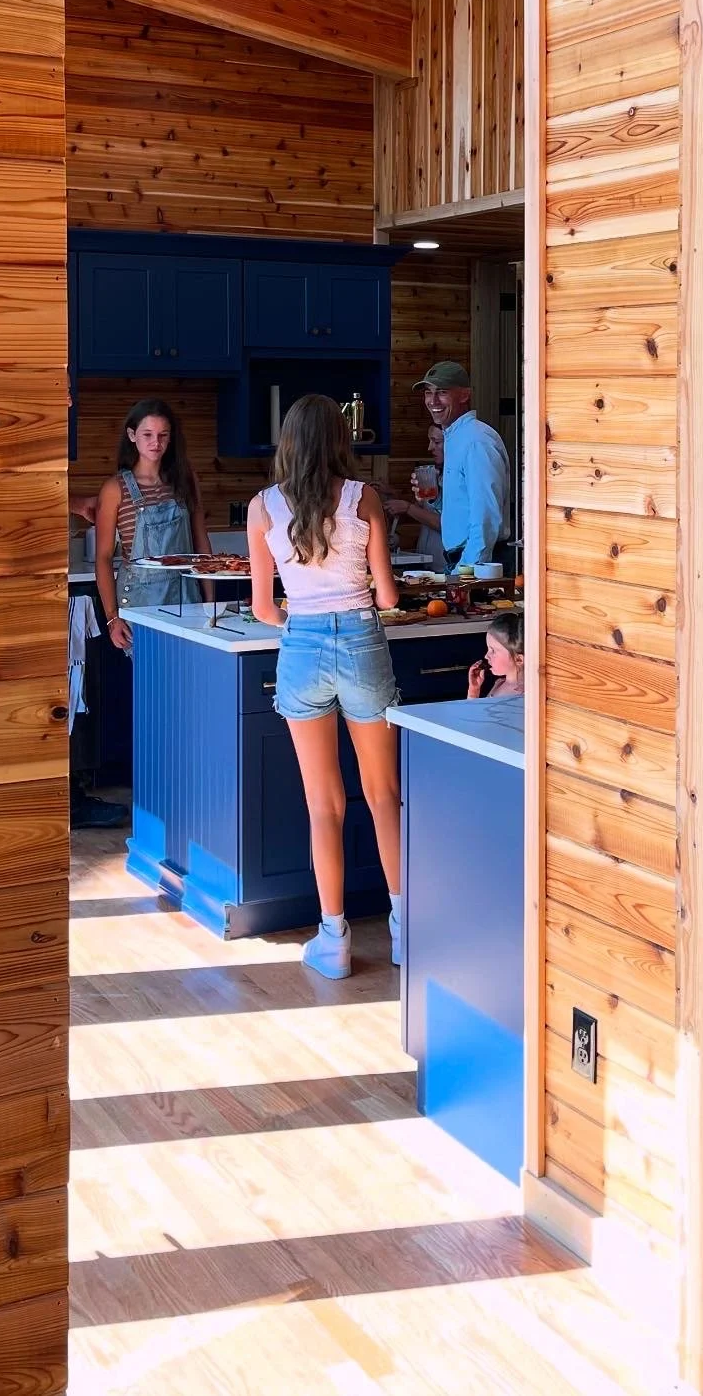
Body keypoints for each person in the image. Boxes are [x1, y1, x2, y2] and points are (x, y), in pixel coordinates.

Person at [247, 395, 402, 981]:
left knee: (323, 804)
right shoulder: (363, 498)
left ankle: (333, 939)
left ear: (287, 443)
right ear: (341, 439)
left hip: (303, 647)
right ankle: (404, 933)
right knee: (384, 794)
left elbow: (264, 608)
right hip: (363, 640)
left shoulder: (262, 509)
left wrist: (304, 622)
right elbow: (386, 597)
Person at [93, 397, 212, 650]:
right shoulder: (116, 489)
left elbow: (202, 545)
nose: (155, 442)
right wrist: (112, 618)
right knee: (153, 680)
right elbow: (103, 558)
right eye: (147, 434)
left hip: (187, 598)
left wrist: (210, 603)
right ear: (132, 435)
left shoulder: (185, 479)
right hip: (139, 603)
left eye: (163, 435)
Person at [413, 359, 510, 570]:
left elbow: (487, 515)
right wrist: (437, 499)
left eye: (442, 392)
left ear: (465, 395)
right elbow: (464, 505)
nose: (433, 401)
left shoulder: (476, 440)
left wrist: (466, 572)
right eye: (428, 393)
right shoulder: (454, 437)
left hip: (477, 564)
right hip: (461, 560)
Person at [381, 422, 445, 559]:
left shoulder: (457, 481)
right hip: (427, 558)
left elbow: (444, 524)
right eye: (430, 441)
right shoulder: (434, 475)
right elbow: (426, 512)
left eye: (437, 442)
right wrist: (396, 496)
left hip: (445, 561)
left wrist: (408, 508)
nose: (430, 447)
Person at [467, 611, 525, 699]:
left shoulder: (525, 696)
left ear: (519, 659)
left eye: (493, 650)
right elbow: (474, 712)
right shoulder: (499, 684)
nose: (486, 656)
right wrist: (474, 691)